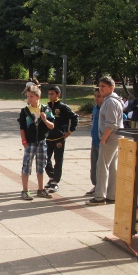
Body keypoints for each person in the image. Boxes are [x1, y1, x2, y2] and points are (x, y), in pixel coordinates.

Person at [86, 76, 124, 205]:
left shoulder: (110, 102)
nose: (101, 89)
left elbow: (111, 123)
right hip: (114, 138)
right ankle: (112, 195)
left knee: (102, 167)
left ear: (111, 88)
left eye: (104, 86)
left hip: (110, 139)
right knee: (112, 167)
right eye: (100, 86)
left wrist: (103, 138)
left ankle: (99, 197)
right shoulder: (110, 100)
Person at [17, 85, 55, 200]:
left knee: (41, 166)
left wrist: (45, 119)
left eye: (31, 96)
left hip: (42, 142)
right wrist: (24, 140)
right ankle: (25, 190)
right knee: (26, 165)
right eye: (28, 96)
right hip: (30, 142)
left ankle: (41, 189)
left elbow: (52, 126)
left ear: (38, 97)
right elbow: (22, 127)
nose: (29, 99)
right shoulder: (25, 111)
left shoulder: (46, 109)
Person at [44, 86, 78, 193]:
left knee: (58, 160)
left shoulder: (63, 107)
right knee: (45, 159)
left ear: (58, 95)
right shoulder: (46, 107)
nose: (50, 96)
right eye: (49, 94)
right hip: (48, 138)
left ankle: (55, 182)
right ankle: (52, 176)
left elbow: (74, 117)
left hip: (59, 138)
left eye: (52, 94)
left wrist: (70, 131)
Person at [86, 89, 104, 195]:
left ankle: (101, 188)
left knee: (101, 167)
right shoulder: (95, 108)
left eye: (99, 96)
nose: (96, 98)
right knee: (94, 166)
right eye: (95, 96)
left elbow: (122, 117)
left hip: (103, 141)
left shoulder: (106, 108)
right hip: (94, 141)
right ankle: (96, 185)